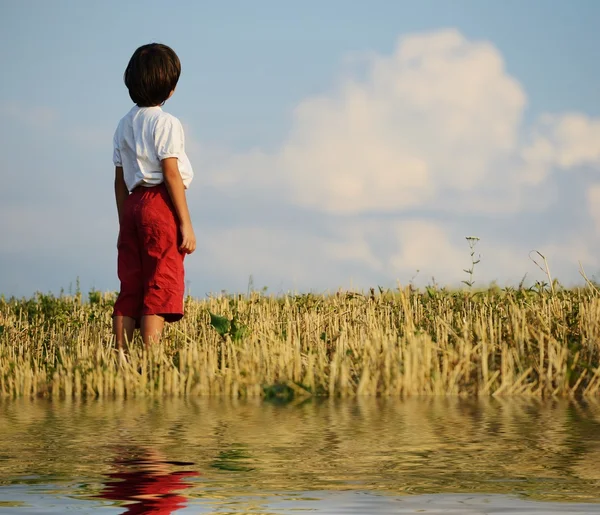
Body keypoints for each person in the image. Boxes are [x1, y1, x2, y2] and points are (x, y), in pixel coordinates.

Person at [112, 43, 196, 348]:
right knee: (159, 282)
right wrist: (185, 223)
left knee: (131, 283)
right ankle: (151, 357)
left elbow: (119, 180)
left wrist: (125, 221)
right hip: (159, 204)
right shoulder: (166, 123)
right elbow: (171, 172)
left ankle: (120, 355)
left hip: (132, 204)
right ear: (170, 89)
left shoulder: (123, 124)